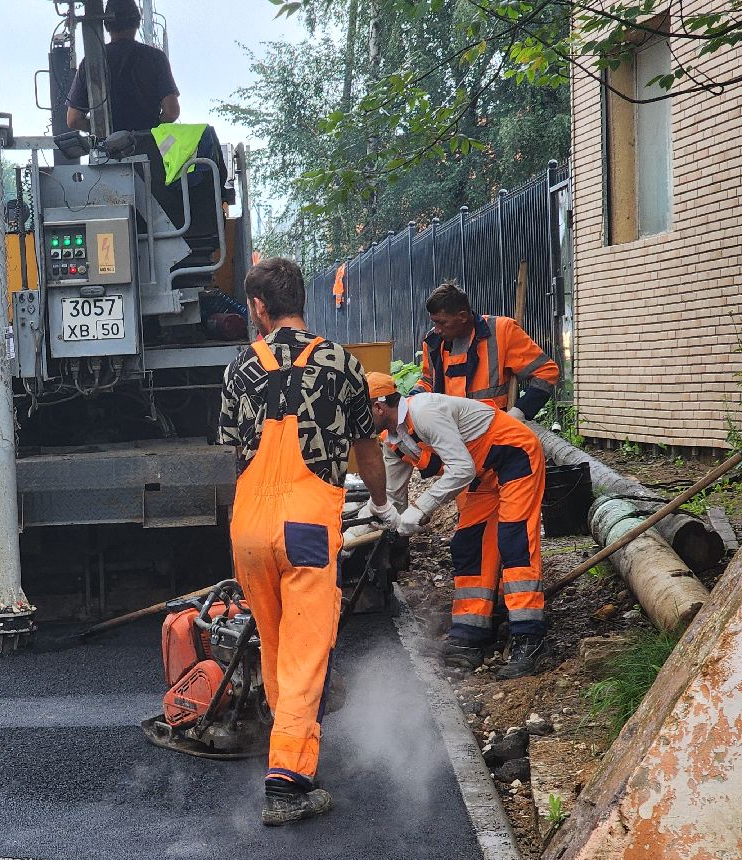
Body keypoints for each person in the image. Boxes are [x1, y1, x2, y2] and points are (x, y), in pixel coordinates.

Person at [219, 257, 394, 827]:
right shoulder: (342, 363)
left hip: (248, 529)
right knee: (304, 653)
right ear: (301, 301)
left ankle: (286, 753)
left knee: (274, 647)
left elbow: (232, 449)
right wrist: (382, 500)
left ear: (259, 309)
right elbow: (367, 451)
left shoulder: (240, 366)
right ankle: (288, 784)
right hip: (306, 529)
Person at [367, 372, 548, 680]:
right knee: (468, 544)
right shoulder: (392, 442)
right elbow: (391, 500)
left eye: (358, 411)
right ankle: (470, 632)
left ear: (379, 407)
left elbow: (460, 468)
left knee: (514, 540)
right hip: (482, 474)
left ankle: (530, 639)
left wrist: (421, 507)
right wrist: (366, 522)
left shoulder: (424, 412)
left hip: (513, 455)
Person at [414, 282, 559, 420]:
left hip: (494, 433)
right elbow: (428, 381)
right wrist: (410, 399)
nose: (437, 329)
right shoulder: (433, 341)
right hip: (448, 431)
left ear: (463, 316)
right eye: (434, 322)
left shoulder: (502, 331)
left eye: (442, 322)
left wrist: (521, 411)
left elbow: (546, 371)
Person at [65, 0, 180, 133]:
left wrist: (101, 130)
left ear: (106, 23)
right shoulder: (155, 57)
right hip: (148, 147)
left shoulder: (92, 62)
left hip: (108, 149)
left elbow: (73, 119)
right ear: (137, 20)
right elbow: (171, 112)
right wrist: (151, 131)